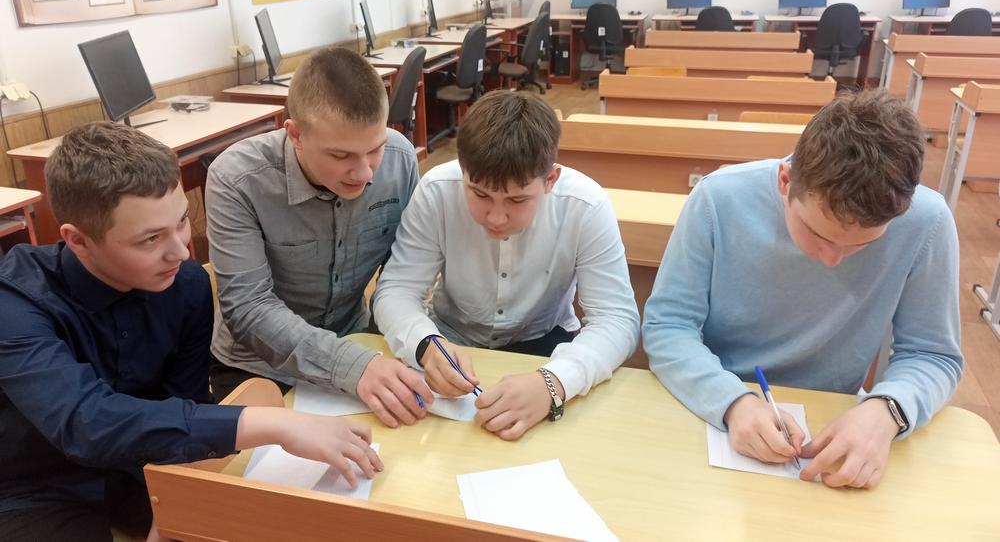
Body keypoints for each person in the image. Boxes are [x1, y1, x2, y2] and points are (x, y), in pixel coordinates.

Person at [0, 122, 382, 542]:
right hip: (35, 485)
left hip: (141, 463)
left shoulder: (186, 285)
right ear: (78, 241)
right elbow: (86, 423)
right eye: (150, 239)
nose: (182, 252)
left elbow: (185, 403)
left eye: (182, 221)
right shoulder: (15, 300)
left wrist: (174, 502)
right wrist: (277, 424)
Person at [642, 89, 963, 489]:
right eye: (817, 234)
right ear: (785, 181)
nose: (833, 259)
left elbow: (933, 354)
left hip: (834, 418)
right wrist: (732, 402)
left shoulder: (926, 222)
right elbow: (668, 326)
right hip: (712, 406)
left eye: (862, 245)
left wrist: (888, 411)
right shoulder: (717, 199)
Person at [373, 90, 640, 440]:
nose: (496, 217)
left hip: (545, 345)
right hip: (449, 341)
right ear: (463, 170)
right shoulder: (437, 190)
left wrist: (555, 382)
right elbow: (396, 289)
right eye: (480, 194)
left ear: (551, 180)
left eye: (517, 200)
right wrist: (424, 343)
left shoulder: (585, 206)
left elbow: (617, 319)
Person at [205, 47, 433, 427]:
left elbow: (400, 274)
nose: (365, 173)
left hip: (357, 343)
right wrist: (352, 366)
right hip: (260, 367)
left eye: (374, 148)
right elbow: (248, 307)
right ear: (295, 134)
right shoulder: (236, 179)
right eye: (341, 156)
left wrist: (419, 338)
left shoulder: (400, 158)